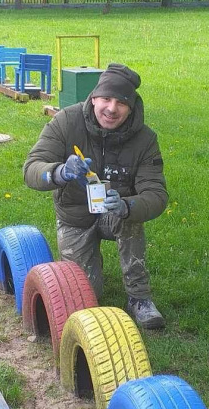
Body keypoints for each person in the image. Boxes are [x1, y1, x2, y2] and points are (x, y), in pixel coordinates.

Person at [23, 62, 168, 329]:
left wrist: (128, 205)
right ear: (93, 98)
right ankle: (90, 263)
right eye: (106, 99)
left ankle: (139, 297)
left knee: (131, 219)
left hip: (115, 214)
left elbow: (156, 194)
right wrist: (60, 172)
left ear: (131, 107)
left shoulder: (145, 139)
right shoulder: (66, 121)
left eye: (121, 103)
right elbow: (31, 169)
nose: (112, 109)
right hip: (75, 217)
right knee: (86, 297)